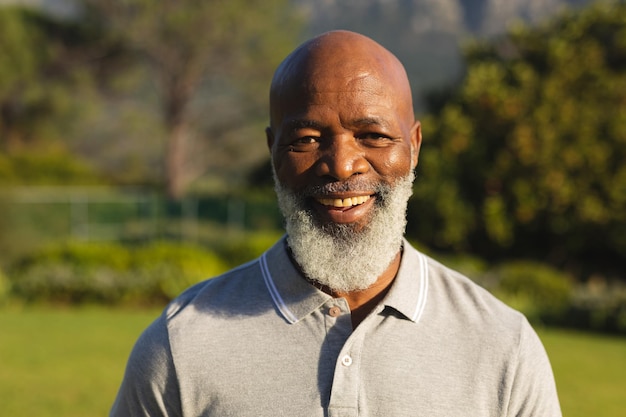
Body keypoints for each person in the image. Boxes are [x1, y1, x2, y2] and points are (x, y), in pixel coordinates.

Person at [110, 30, 561, 416]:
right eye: (307, 139)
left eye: (373, 136)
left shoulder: (503, 347)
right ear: (273, 151)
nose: (342, 166)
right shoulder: (181, 346)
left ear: (415, 145)